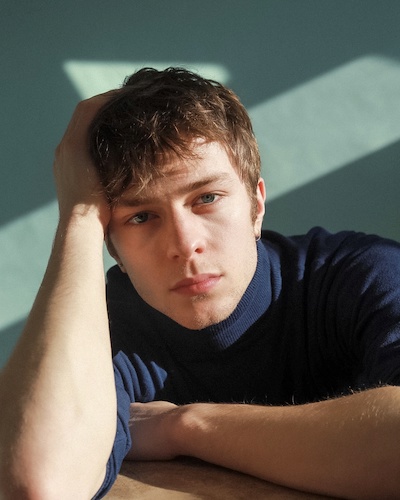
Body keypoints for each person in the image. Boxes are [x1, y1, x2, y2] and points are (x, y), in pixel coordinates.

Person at [1, 67, 400, 500]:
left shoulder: (363, 274)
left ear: (256, 204)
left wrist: (184, 425)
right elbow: (36, 484)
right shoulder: (102, 333)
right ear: (111, 246)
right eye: (141, 216)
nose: (183, 244)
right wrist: (79, 216)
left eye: (206, 198)